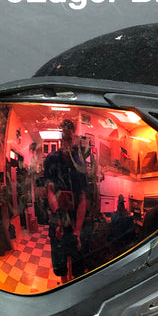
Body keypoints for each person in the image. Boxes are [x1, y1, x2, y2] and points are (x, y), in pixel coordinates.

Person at [43, 119, 88, 283]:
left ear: (74, 138)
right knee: (60, 263)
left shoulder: (79, 163)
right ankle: (63, 282)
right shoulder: (51, 159)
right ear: (60, 137)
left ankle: (73, 284)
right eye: (64, 138)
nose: (66, 142)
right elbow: (49, 190)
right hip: (57, 217)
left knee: (77, 264)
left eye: (69, 138)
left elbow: (82, 198)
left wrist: (77, 231)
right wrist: (58, 214)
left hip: (75, 219)